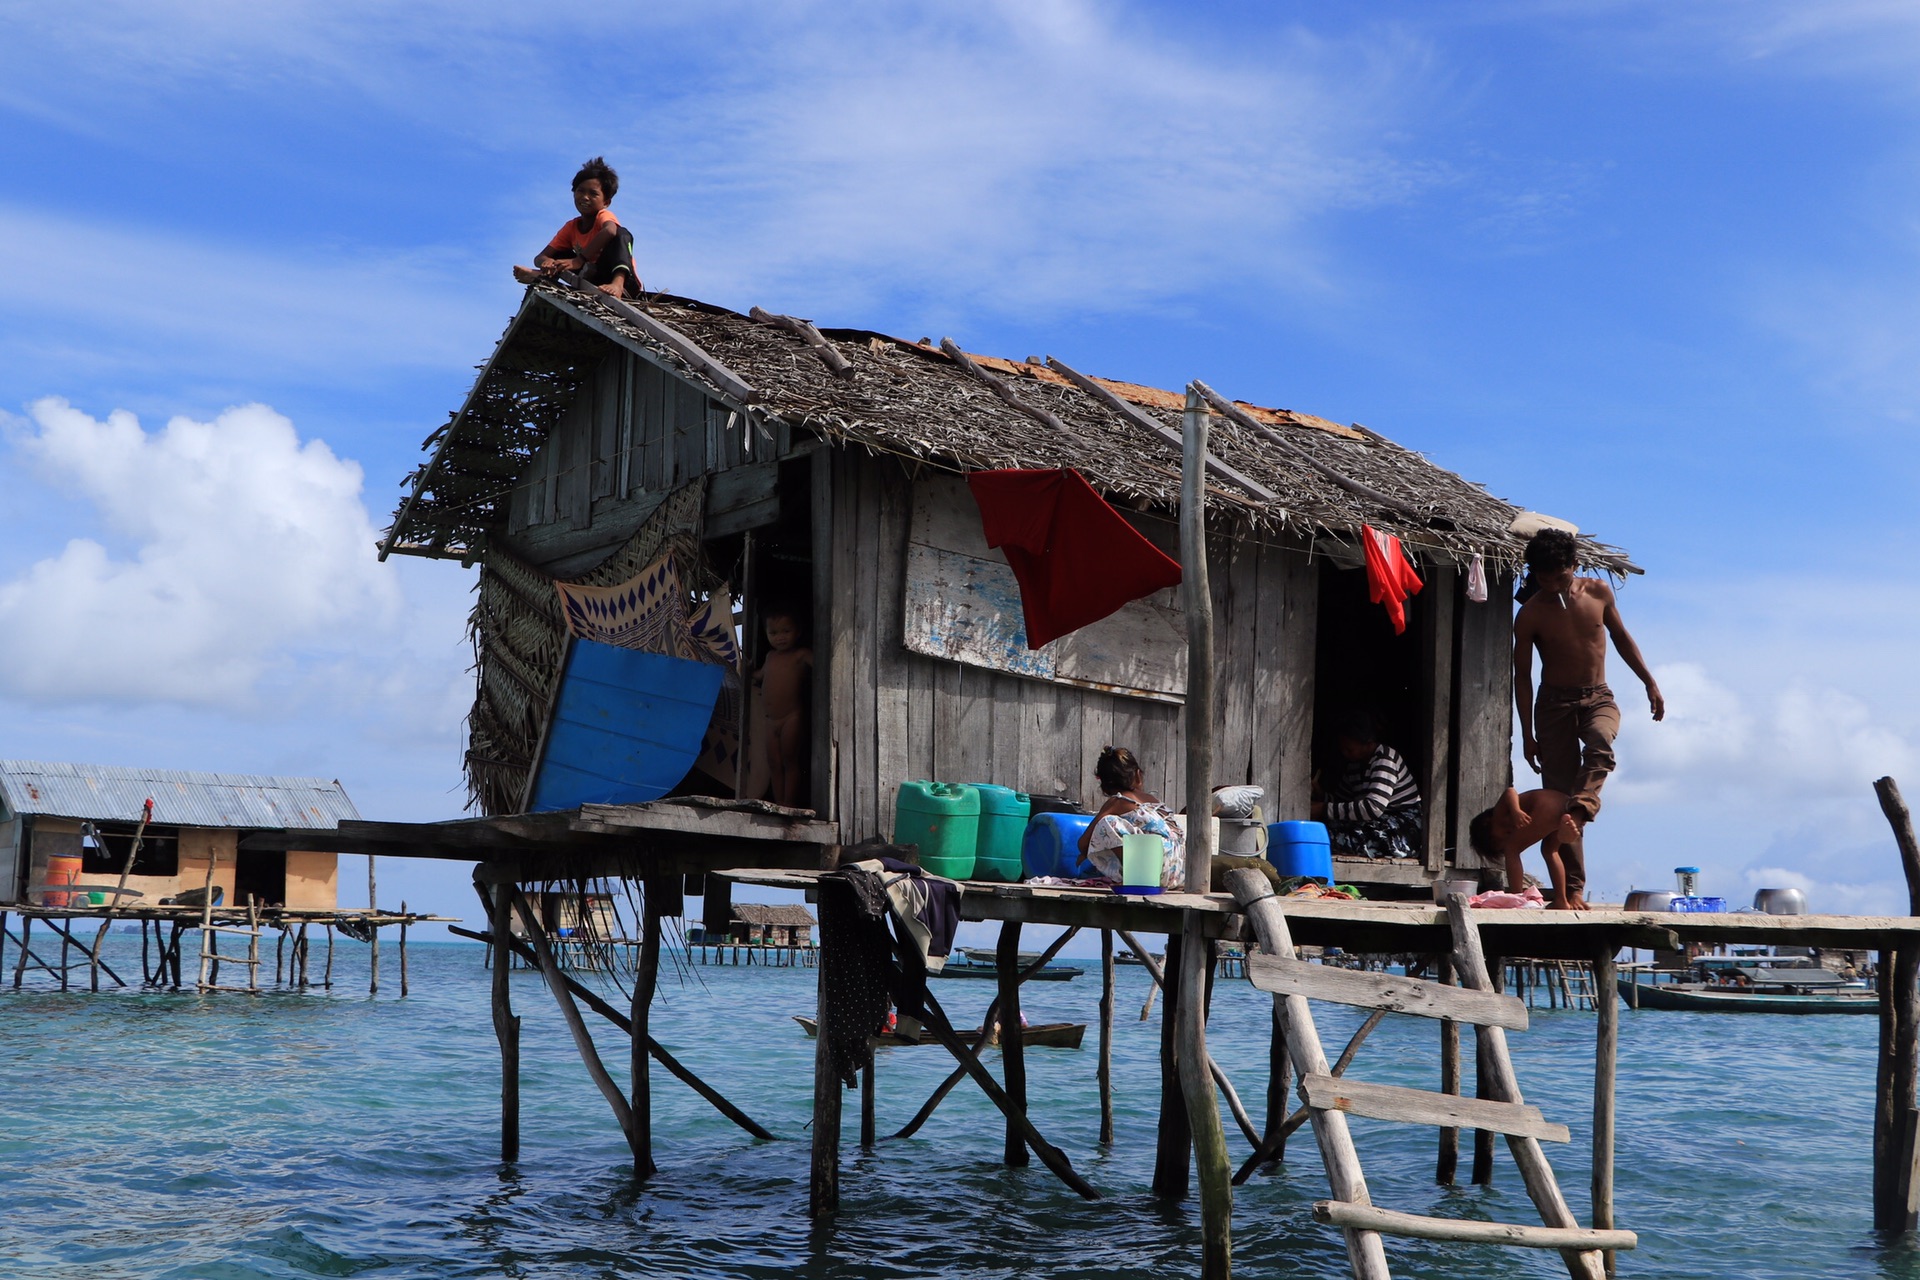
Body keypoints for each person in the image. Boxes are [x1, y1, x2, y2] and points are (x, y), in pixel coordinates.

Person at [1512, 527, 1664, 910]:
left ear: (1574, 566)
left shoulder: (1598, 592)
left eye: (1559, 578)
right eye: (1543, 579)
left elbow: (1622, 638)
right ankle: (1575, 888)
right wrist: (1528, 733)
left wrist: (1649, 682)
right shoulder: (1529, 614)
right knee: (1559, 798)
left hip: (1598, 696)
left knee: (1601, 745)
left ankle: (1580, 812)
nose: (1551, 586)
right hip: (1553, 706)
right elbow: (1522, 676)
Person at [512, 156, 641, 298]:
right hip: (592, 277)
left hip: (624, 281)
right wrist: (547, 262)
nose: (585, 197)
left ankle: (617, 283)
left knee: (621, 234)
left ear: (606, 202)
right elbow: (539, 257)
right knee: (559, 254)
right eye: (581, 191)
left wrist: (579, 260)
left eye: (593, 194)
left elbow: (610, 231)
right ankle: (543, 276)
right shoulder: (571, 226)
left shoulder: (604, 216)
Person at [1311, 710, 1423, 858]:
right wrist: (1321, 796)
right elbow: (1344, 804)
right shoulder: (1354, 767)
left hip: (1402, 829)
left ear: (1368, 742)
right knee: (1325, 830)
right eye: (1343, 748)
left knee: (1334, 840)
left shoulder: (1385, 759)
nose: (1344, 753)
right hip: (1375, 823)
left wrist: (1322, 809)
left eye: (1349, 749)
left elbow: (1373, 808)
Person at [1078, 746, 1186, 889]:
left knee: (1106, 823)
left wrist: (1085, 854)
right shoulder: (1152, 799)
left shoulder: (1117, 802)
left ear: (1103, 784)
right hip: (1181, 871)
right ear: (1137, 775)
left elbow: (1083, 843)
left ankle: (1136, 876)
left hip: (1154, 874)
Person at [1467, 785, 1578, 906]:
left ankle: (1518, 898)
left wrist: (1516, 811)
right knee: (1550, 851)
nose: (1508, 835)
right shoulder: (1504, 825)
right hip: (1565, 804)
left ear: (1487, 824)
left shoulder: (1498, 814)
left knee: (1512, 850)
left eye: (1502, 836)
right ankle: (1561, 900)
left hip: (1545, 806)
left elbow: (1510, 791)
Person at [754, 609, 813, 808]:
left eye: (786, 631)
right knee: (774, 763)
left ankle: (789, 804)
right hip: (770, 721)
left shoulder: (801, 655)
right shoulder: (770, 657)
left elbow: (824, 665)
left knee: (790, 760)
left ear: (798, 631)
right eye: (774, 633)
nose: (780, 637)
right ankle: (778, 803)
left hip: (791, 717)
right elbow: (760, 676)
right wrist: (744, 669)